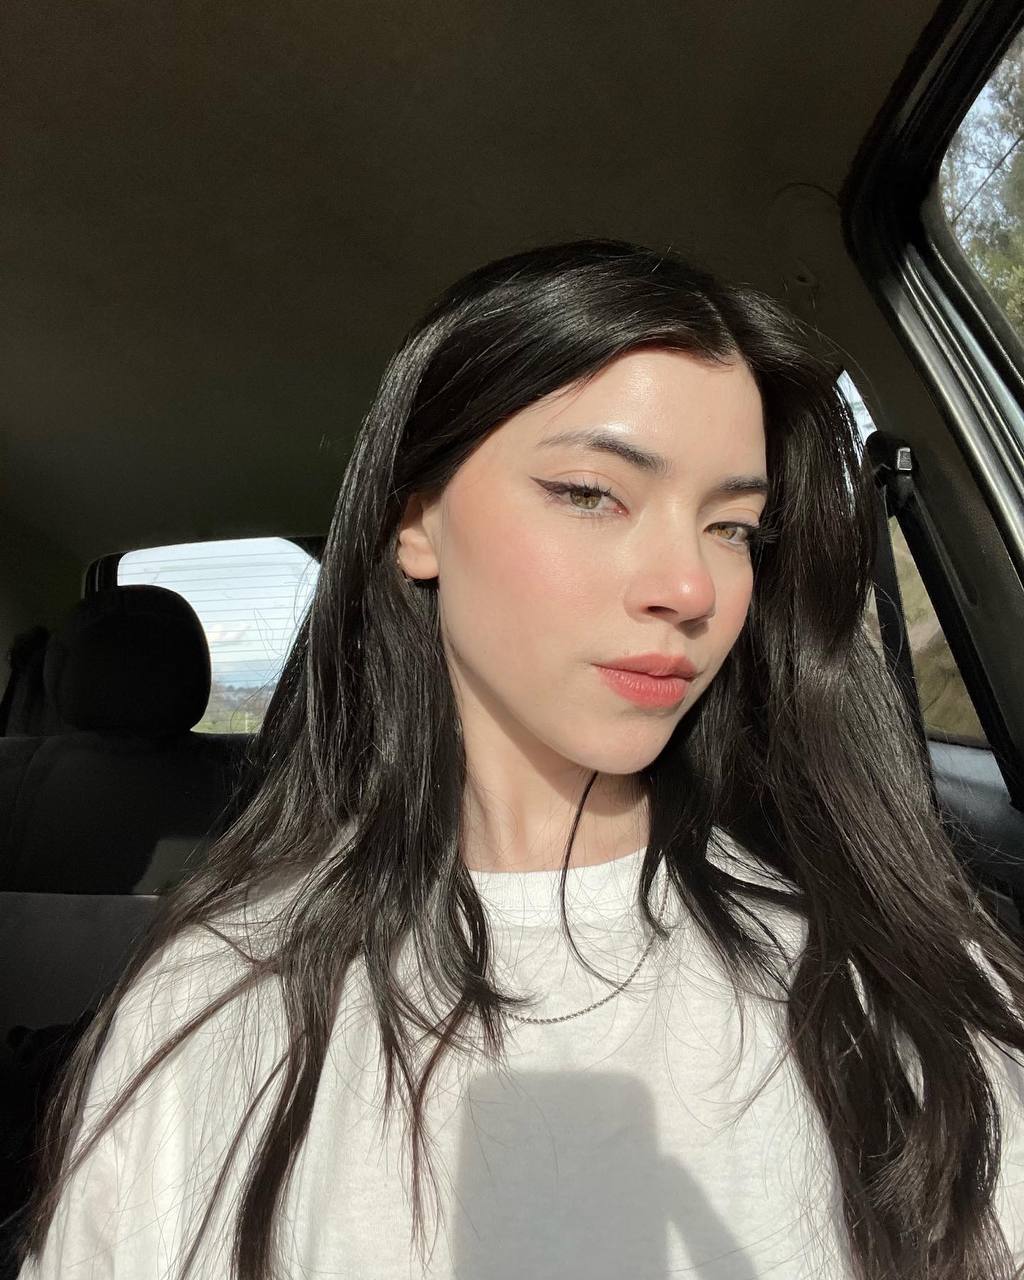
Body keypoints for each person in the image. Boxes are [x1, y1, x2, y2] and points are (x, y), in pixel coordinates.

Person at [13, 238, 1024, 1280]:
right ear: (416, 522)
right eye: (590, 492)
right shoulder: (210, 998)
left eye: (734, 528)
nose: (691, 587)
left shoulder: (898, 987)